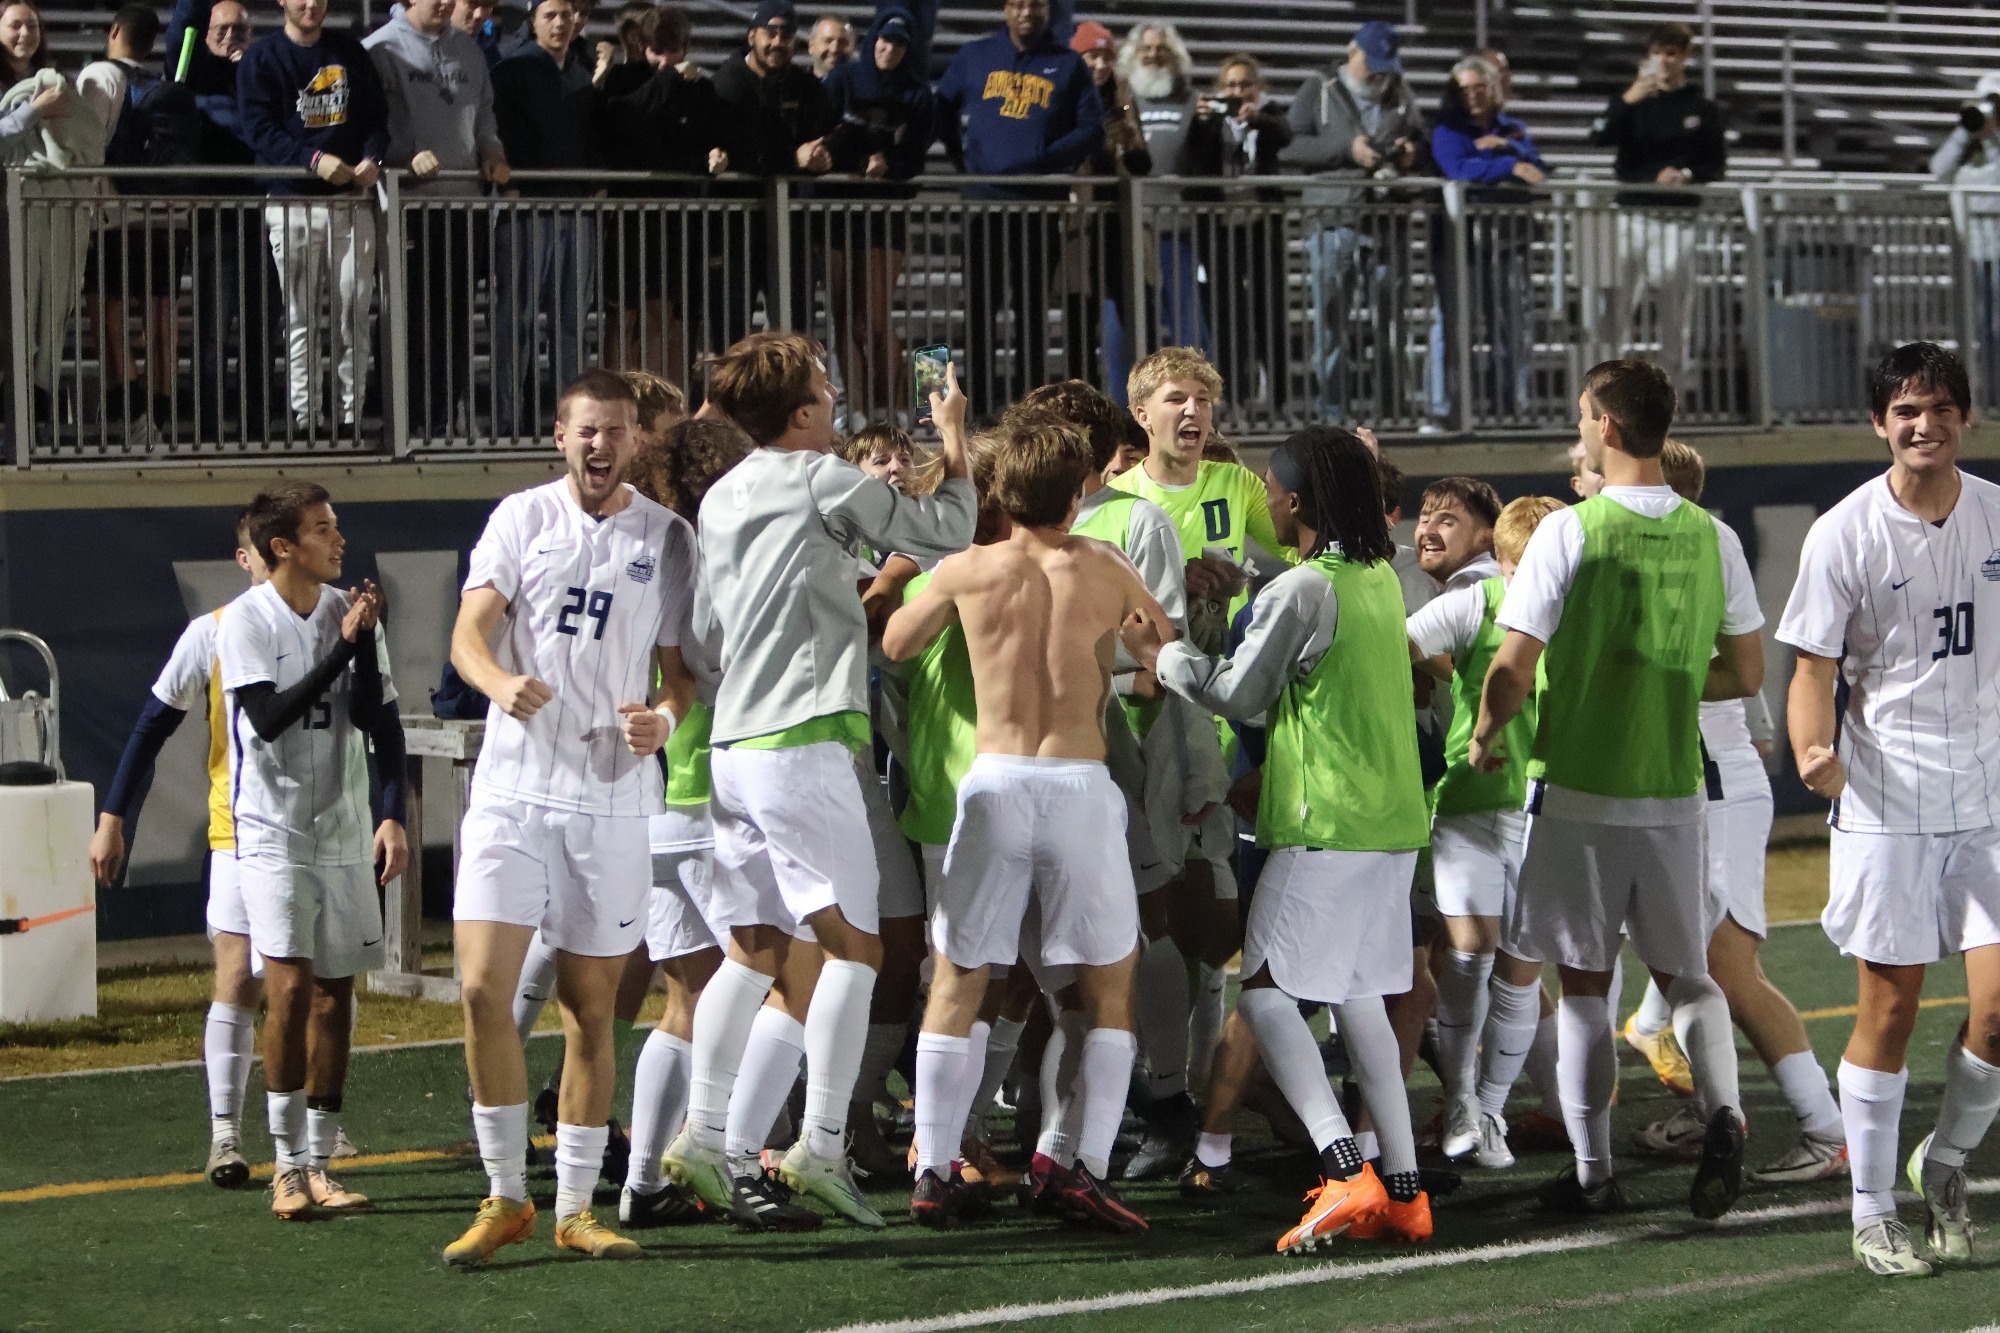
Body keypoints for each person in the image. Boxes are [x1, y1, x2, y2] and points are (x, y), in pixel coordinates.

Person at [662, 333, 975, 1230]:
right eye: (823, 384)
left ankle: (705, 1133)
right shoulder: (820, 476)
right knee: (857, 949)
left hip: (732, 747)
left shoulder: (722, 494)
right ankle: (823, 1143)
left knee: (752, 947)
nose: (835, 393)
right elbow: (949, 529)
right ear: (802, 413)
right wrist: (952, 436)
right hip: (803, 738)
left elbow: (709, 633)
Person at [1129, 425, 1434, 1253]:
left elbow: (1234, 693)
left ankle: (1343, 1165)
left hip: (1326, 822)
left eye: (1271, 484)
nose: (1263, 495)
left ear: (1297, 500)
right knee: (1360, 996)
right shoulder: (1377, 578)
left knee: (1265, 992)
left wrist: (1162, 655)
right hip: (1393, 823)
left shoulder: (1306, 587)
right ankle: (1403, 1187)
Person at [1471, 358, 1763, 1219]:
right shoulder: (1718, 536)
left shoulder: (1571, 530)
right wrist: (1666, 686)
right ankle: (1726, 1112)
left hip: (1581, 791)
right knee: (1688, 976)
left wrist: (1488, 733)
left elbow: (1513, 664)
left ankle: (1595, 1174)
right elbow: (1744, 671)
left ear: (1604, 425)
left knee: (1587, 985)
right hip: (1675, 791)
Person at [886, 414, 1170, 1233]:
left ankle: (934, 1167)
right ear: (1079, 492)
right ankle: (1082, 1164)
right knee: (1108, 983)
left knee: (960, 976)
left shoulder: (966, 568)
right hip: (1079, 784)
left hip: (997, 783)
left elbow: (898, 643)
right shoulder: (1107, 565)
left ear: (1000, 490)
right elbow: (1160, 646)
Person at [442, 369, 699, 1266]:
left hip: (611, 800)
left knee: (593, 1007)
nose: (601, 444)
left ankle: (577, 1206)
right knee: (481, 986)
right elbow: (467, 633)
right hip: (513, 791)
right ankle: (506, 1193)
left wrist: (661, 721)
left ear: (634, 441)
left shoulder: (666, 537)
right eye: (586, 430)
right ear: (560, 435)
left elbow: (682, 674)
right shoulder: (520, 518)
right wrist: (497, 680)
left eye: (617, 431)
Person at [1777, 342, 2000, 1277]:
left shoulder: (1997, 514)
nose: (1926, 423)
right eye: (1908, 409)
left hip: (1990, 797)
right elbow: (1810, 671)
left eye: (1942, 406)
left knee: (1998, 1014)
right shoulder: (1842, 532)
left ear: (1965, 418)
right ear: (1880, 423)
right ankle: (1872, 1210)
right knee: (1892, 1008)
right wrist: (1810, 747)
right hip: (1886, 798)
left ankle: (1941, 1161)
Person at [1618, 440, 1849, 1185]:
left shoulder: (1697, 544)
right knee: (1682, 961)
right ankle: (1713, 1105)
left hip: (1713, 786)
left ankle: (1825, 1125)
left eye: (1588, 467)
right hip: (1685, 782)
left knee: (1725, 967)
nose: (1580, 483)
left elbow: (1737, 677)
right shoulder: (1654, 545)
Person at [216, 480, 408, 1220]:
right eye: (324, 529)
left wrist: (390, 815)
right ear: (282, 548)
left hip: (342, 825)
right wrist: (345, 648)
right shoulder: (247, 619)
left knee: (336, 991)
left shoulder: (347, 612)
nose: (340, 540)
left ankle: (322, 1159)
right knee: (288, 988)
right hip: (270, 830)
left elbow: (376, 720)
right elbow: (266, 717)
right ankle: (285, 1165)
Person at [89, 511, 272, 1190]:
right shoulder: (215, 632)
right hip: (240, 833)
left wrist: (386, 812)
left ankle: (312, 1126)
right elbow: (152, 722)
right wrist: (113, 815)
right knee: (238, 979)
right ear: (246, 558)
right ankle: (226, 1132)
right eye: (264, 552)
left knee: (308, 985)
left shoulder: (329, 623)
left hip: (318, 838)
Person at [618, 411, 756, 1229]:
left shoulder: (639, 557)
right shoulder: (711, 561)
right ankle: (727, 1154)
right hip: (709, 798)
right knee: (772, 978)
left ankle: (645, 1181)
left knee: (688, 998)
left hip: (651, 806)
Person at [1406, 490, 1558, 1170]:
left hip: (1551, 807)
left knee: (1523, 968)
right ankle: (1465, 1097)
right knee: (1470, 950)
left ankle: (1490, 1108)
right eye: (1526, 563)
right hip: (1471, 800)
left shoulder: (1580, 609)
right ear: (1501, 560)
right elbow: (1397, 643)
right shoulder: (1477, 600)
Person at [935, 0, 1102, 419]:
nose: (1027, 12)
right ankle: (977, 410)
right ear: (1007, 10)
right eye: (1018, 4)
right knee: (980, 308)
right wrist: (964, 162)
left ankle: (1030, 408)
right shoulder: (975, 56)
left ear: (1048, 10)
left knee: (1031, 310)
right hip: (983, 204)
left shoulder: (1067, 64)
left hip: (1038, 205)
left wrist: (1046, 160)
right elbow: (940, 111)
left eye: (1036, 4)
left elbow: (1092, 128)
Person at [238, 0, 388, 436]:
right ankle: (306, 420)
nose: (311, 5)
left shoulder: (349, 51)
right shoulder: (262, 57)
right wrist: (312, 159)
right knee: (301, 316)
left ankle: (351, 417)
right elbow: (259, 129)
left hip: (351, 202)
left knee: (353, 312)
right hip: (292, 203)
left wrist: (372, 156)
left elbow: (377, 116)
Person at [367, 0, 511, 441]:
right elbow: (370, 127)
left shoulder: (468, 48)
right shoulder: (379, 48)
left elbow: (484, 112)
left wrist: (492, 150)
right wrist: (403, 156)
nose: (448, 2)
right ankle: (403, 421)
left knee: (455, 317)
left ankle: (444, 419)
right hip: (408, 207)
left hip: (463, 205)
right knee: (410, 318)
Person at [1284, 20, 1425, 422]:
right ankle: (1331, 409)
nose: (1379, 74)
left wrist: (1411, 151)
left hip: (1385, 218)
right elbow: (1291, 145)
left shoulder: (1400, 92)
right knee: (1330, 318)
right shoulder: (1319, 87)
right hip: (1334, 217)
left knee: (1391, 320)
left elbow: (1423, 140)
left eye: (1385, 65)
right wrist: (1346, 150)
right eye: (1372, 64)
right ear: (1352, 54)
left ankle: (1392, 406)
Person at [78, 5, 197, 439]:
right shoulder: (165, 86)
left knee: (106, 307)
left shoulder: (99, 77)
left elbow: (89, 148)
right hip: (171, 216)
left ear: (113, 31)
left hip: (116, 216)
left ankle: (129, 408)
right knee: (161, 311)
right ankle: (160, 412)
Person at [1588, 23, 1724, 399]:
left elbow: (1716, 162)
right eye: (1659, 52)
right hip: (1628, 214)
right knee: (1613, 310)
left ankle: (1671, 399)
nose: (1665, 61)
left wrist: (1686, 174)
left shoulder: (1701, 107)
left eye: (1674, 53)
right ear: (1648, 54)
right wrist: (1630, 98)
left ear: (1686, 56)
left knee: (1673, 312)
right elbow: (1599, 136)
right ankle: (1606, 398)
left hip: (1676, 218)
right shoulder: (1631, 102)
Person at [491, 0, 604, 440]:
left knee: (571, 321)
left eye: (567, 15)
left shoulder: (579, 75)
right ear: (534, 22)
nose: (561, 23)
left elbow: (592, 136)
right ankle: (507, 420)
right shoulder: (513, 70)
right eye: (550, 15)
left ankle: (569, 419)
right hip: (527, 209)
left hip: (574, 209)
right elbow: (502, 130)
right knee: (516, 319)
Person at [597, 4, 727, 385]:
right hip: (630, 215)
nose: (666, 60)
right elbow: (624, 127)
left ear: (687, 46)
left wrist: (717, 154)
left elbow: (708, 138)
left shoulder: (701, 87)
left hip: (679, 218)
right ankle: (615, 397)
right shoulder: (623, 79)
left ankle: (665, 402)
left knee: (667, 312)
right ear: (643, 45)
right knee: (623, 313)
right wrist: (667, 79)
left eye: (675, 50)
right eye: (657, 49)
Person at [820, 7, 935, 421]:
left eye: (900, 45)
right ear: (872, 42)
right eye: (884, 41)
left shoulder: (918, 94)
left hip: (885, 216)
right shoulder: (844, 79)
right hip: (835, 214)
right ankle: (860, 411)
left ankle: (902, 407)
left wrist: (890, 163)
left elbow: (916, 155)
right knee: (845, 320)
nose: (889, 50)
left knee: (873, 320)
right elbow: (821, 133)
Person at [0, 0, 104, 425]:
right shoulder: (40, 95)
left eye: (33, 26)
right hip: (6, 220)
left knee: (43, 317)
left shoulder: (60, 84)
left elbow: (81, 138)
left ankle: (32, 422)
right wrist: (35, 111)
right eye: (15, 25)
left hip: (47, 217)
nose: (25, 34)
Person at [710, 1, 834, 349]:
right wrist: (794, 157)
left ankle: (789, 401)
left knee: (795, 332)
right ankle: (731, 402)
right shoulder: (728, 80)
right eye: (771, 32)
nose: (778, 41)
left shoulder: (804, 85)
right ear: (752, 35)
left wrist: (827, 154)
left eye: (786, 35)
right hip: (735, 229)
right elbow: (744, 147)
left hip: (789, 227)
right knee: (731, 334)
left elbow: (827, 131)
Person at [1429, 53, 1543, 427]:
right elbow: (1458, 168)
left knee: (1511, 326)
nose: (1473, 96)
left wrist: (1504, 150)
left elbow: (1537, 167)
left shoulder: (1511, 127)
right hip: (1460, 244)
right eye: (1465, 89)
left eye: (1480, 88)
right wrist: (1508, 165)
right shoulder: (1448, 130)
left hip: (1508, 242)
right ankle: (1449, 409)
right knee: (1454, 326)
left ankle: (1511, 406)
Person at [182, 0, 278, 443]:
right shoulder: (195, 81)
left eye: (238, 30)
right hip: (214, 221)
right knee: (213, 333)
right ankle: (207, 426)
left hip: (264, 217)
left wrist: (249, 70)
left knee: (262, 330)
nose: (228, 38)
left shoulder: (263, 76)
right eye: (219, 30)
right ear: (204, 36)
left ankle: (256, 425)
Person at [1187, 53, 1292, 415]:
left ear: (1258, 87)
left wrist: (1257, 118)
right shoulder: (1211, 120)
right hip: (1220, 230)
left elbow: (1285, 135)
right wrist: (1201, 122)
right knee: (1226, 314)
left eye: (1245, 84)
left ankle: (1278, 398)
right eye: (1231, 85)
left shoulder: (1270, 112)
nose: (1238, 92)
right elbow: (1195, 159)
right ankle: (1233, 395)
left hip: (1261, 226)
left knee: (1269, 311)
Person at [1116, 22, 1202, 354]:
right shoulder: (1121, 98)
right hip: (1131, 226)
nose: (1153, 55)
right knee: (1136, 321)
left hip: (1175, 226)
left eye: (1160, 49)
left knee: (1184, 319)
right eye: (1146, 49)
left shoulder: (1192, 99)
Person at [1932, 73, 2000, 404]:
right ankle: (1988, 397)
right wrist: (1965, 131)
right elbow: (1938, 169)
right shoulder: (1965, 145)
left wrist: (1992, 135)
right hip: (1971, 251)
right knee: (1980, 329)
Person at [807, 13, 854, 79]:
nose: (834, 49)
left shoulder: (864, 88)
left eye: (842, 42)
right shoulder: (794, 87)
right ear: (811, 46)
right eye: (828, 41)